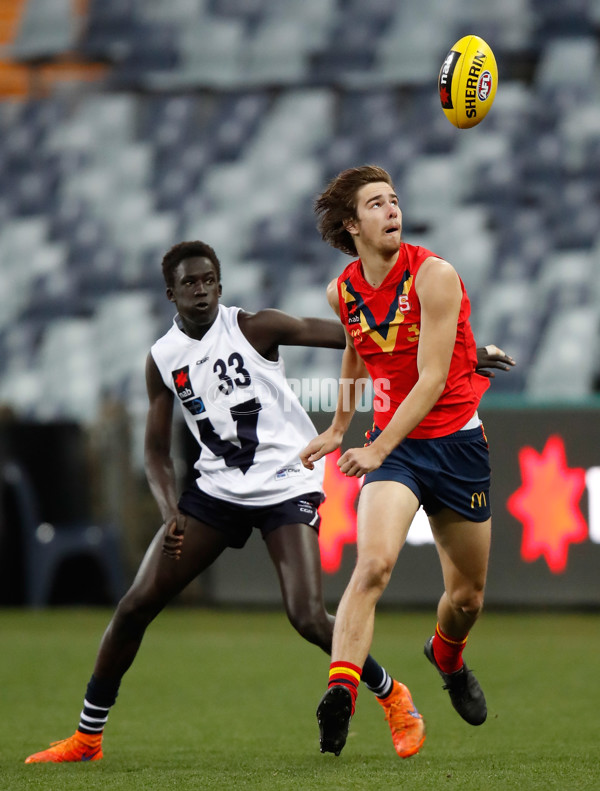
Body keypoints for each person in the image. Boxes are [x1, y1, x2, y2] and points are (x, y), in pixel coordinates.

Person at [25, 239, 430, 765]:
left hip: (287, 482)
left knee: (307, 616)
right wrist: (171, 509)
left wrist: (459, 352)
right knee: (133, 607)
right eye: (190, 283)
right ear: (170, 293)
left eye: (209, 280)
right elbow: (154, 452)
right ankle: (87, 737)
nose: (201, 290)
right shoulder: (162, 359)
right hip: (216, 492)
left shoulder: (255, 327)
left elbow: (359, 338)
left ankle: (395, 697)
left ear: (221, 283)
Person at [300, 165, 515, 757]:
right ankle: (341, 693)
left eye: (394, 200)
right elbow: (354, 350)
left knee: (467, 597)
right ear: (352, 225)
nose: (392, 209)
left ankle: (446, 654)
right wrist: (340, 427)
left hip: (455, 445)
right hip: (397, 454)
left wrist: (373, 445)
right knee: (373, 565)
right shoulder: (341, 290)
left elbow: (432, 380)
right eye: (376, 203)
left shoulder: (435, 275)